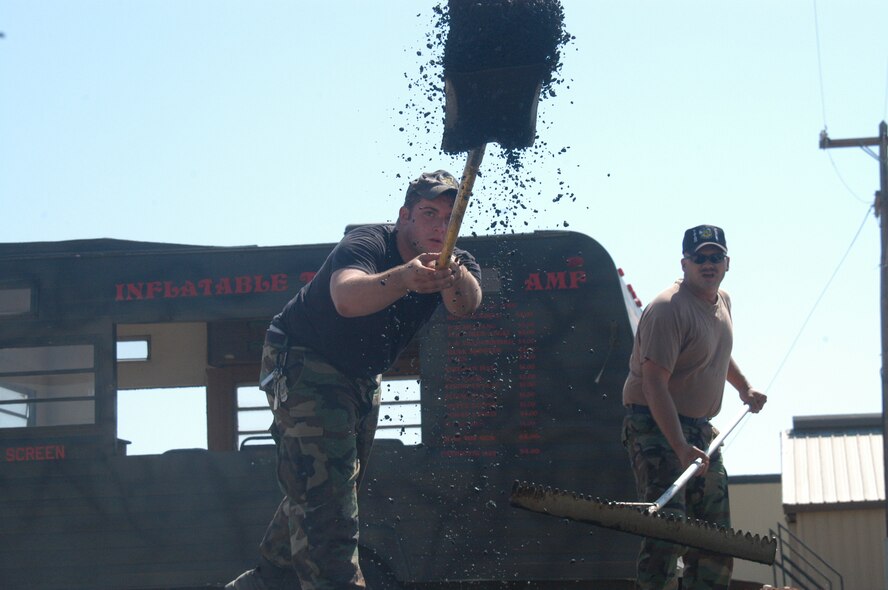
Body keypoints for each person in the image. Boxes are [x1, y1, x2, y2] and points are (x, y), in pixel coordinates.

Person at [226, 170, 483, 590]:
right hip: (304, 357)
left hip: (361, 376)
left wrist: (454, 275)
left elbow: (466, 304)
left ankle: (266, 580)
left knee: (329, 484)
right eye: (428, 214)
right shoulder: (368, 242)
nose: (440, 226)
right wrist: (403, 278)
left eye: (449, 218)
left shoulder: (455, 263)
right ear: (404, 216)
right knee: (328, 498)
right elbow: (345, 297)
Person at [620, 225, 767, 590]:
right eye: (700, 258)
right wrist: (680, 446)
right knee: (668, 527)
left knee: (714, 536)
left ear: (727, 263)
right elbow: (653, 384)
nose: (708, 264)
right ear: (684, 263)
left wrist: (745, 388)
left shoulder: (723, 302)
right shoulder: (668, 309)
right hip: (654, 425)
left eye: (715, 257)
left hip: (701, 428)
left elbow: (716, 352)